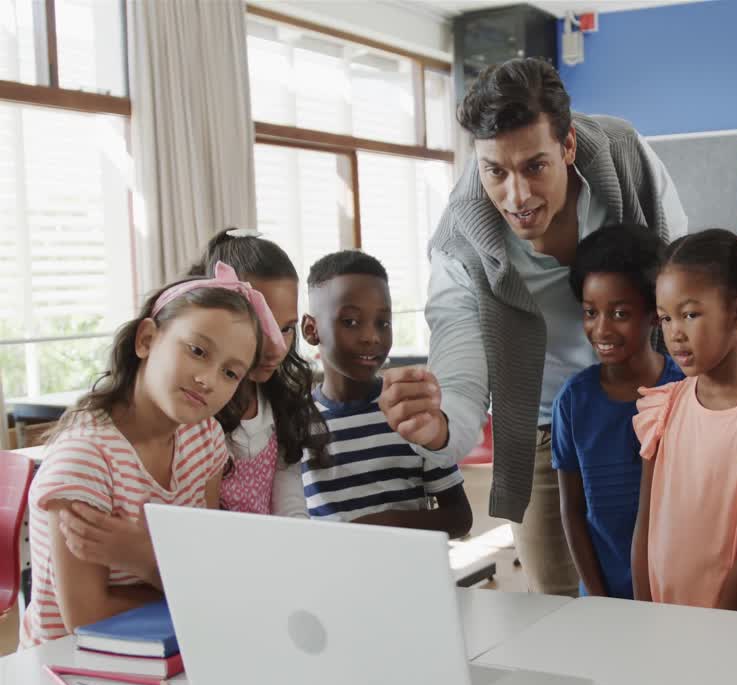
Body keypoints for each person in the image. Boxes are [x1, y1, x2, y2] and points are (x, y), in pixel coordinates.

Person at [377, 57, 687, 595]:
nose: (516, 197)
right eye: (495, 171)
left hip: (655, 406)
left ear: (566, 147)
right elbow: (459, 344)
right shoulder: (461, 237)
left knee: (672, 583)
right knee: (559, 610)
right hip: (546, 428)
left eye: (535, 168)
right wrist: (444, 426)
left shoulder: (624, 156)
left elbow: (681, 278)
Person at [21, 265, 268, 646]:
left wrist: (146, 558)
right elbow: (85, 618)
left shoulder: (205, 439)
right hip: (73, 669)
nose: (208, 379)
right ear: (147, 340)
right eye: (198, 351)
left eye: (230, 373)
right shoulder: (85, 458)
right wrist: (179, 578)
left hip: (174, 648)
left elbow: (208, 570)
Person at [631, 229, 737, 611]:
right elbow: (644, 526)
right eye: (665, 319)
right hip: (661, 617)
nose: (675, 333)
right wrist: (643, 611)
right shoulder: (663, 408)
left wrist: (716, 632)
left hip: (729, 627)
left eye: (690, 314)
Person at [552, 224, 683, 599]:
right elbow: (573, 513)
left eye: (620, 313)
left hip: (674, 594)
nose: (601, 329)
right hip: (603, 594)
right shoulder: (573, 402)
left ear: (654, 314)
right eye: (591, 312)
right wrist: (596, 597)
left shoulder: (684, 392)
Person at [300, 251, 471, 536]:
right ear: (311, 329)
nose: (372, 336)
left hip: (407, 576)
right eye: (351, 322)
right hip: (332, 578)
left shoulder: (413, 414)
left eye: (383, 323)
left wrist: (384, 527)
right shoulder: (294, 422)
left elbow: (459, 518)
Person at [186, 228, 329, 517]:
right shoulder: (192, 411)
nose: (276, 346)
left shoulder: (280, 402)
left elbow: (289, 496)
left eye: (286, 328)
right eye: (259, 326)